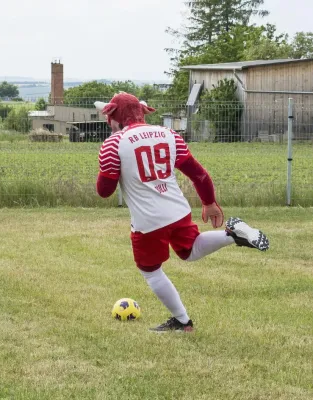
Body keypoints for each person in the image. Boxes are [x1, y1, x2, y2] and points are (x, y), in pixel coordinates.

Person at [94, 92, 269, 332]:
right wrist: (209, 202)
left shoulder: (113, 143)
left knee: (151, 271)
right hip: (177, 209)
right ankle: (233, 234)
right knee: (190, 250)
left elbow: (104, 190)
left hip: (148, 219)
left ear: (115, 116)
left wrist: (111, 165)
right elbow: (198, 173)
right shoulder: (169, 134)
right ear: (141, 112)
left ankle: (182, 321)